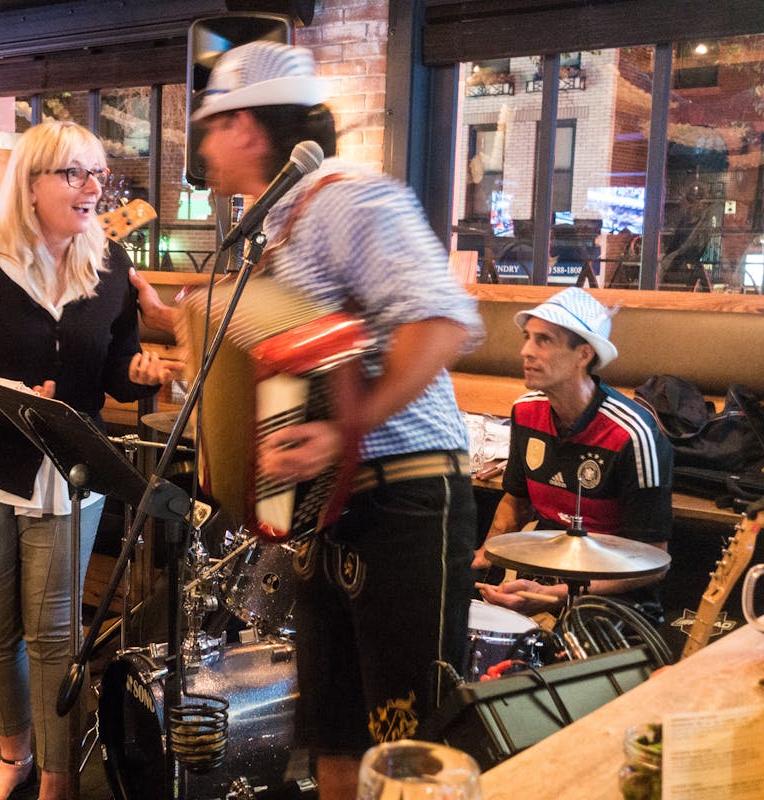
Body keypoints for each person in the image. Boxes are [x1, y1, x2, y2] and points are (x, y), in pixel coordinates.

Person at [134, 42, 482, 800]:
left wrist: (345, 430)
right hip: (333, 507)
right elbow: (301, 357)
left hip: (405, 497)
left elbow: (441, 320)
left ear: (248, 129)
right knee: (330, 725)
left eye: (209, 125)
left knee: (406, 737)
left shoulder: (350, 197)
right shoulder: (278, 225)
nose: (200, 145)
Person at [0, 120, 178, 800]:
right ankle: (14, 756)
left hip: (70, 475)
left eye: (97, 174)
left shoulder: (110, 263)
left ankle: (58, 780)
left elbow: (114, 374)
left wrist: (142, 374)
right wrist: (3, 404)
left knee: (57, 636)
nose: (92, 188)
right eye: (74, 174)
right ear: (32, 185)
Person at [473, 287, 672, 617]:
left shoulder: (634, 435)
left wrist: (555, 596)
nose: (526, 351)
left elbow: (652, 562)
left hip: (613, 601)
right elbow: (516, 502)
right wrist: (482, 557)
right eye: (527, 337)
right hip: (539, 574)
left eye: (544, 340)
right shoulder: (524, 412)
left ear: (584, 354)